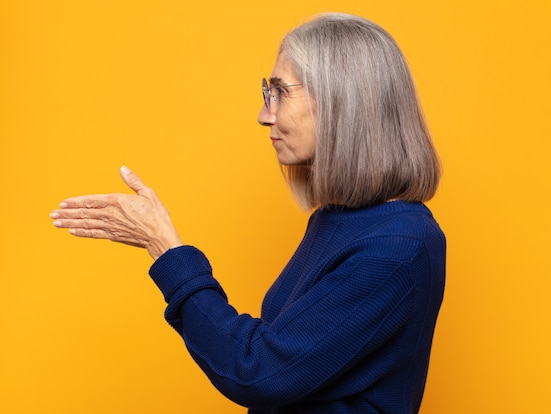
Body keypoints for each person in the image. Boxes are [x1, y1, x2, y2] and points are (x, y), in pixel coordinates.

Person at [50, 13, 445, 414]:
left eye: (280, 92)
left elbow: (259, 370)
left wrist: (167, 249)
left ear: (342, 99)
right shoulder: (340, 221)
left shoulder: (397, 247)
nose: (264, 115)